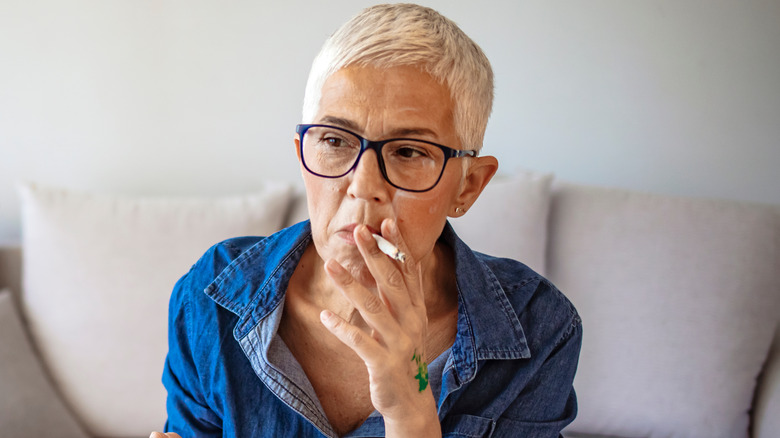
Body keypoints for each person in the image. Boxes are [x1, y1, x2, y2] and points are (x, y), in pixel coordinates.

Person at [152, 3, 581, 438]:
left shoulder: (539, 328)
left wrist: (410, 413)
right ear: (302, 154)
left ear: (467, 186)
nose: (363, 185)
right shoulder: (212, 295)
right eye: (335, 140)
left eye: (409, 151)